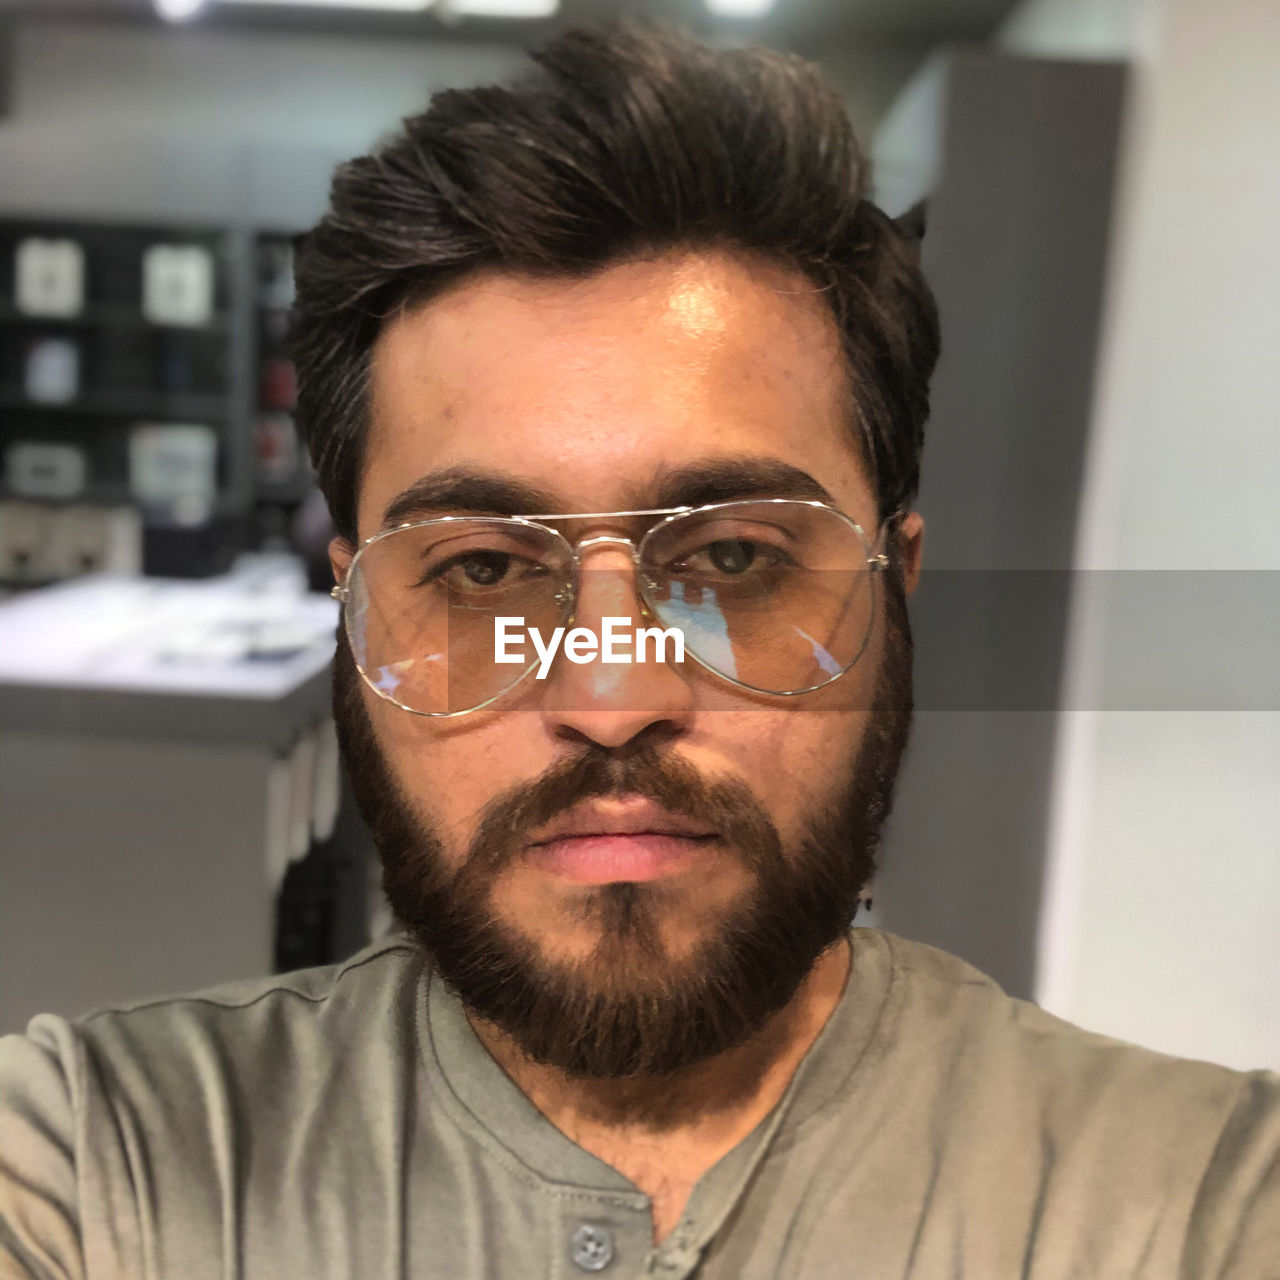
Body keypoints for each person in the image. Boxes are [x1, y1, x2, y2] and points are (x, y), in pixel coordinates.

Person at [1, 22, 1277, 1280]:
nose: (609, 699)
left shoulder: (1192, 1195)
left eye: (730, 558)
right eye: (482, 568)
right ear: (355, 608)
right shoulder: (93, 1158)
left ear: (896, 591)